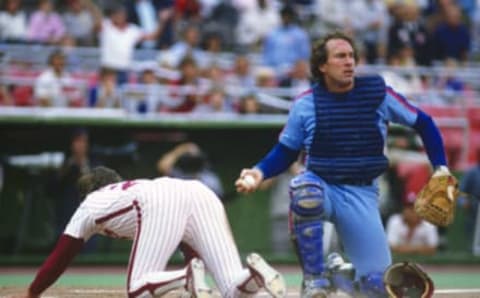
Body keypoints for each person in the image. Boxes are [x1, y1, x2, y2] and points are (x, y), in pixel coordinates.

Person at [235, 31, 452, 298]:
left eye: (351, 56)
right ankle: (315, 280)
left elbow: (424, 123)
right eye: (340, 56)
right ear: (322, 66)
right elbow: (286, 151)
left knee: (378, 288)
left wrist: (441, 168)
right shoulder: (305, 103)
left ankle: (339, 274)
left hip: (362, 194)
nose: (349, 62)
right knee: (305, 194)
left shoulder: (377, 93)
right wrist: (258, 172)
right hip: (321, 185)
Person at [17, 166, 286, 298]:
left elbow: (60, 258)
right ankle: (254, 273)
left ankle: (186, 276)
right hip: (199, 192)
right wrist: (197, 267)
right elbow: (185, 238)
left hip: (162, 201)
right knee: (230, 288)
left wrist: (33, 292)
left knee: (137, 289)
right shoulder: (131, 188)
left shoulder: (89, 204)